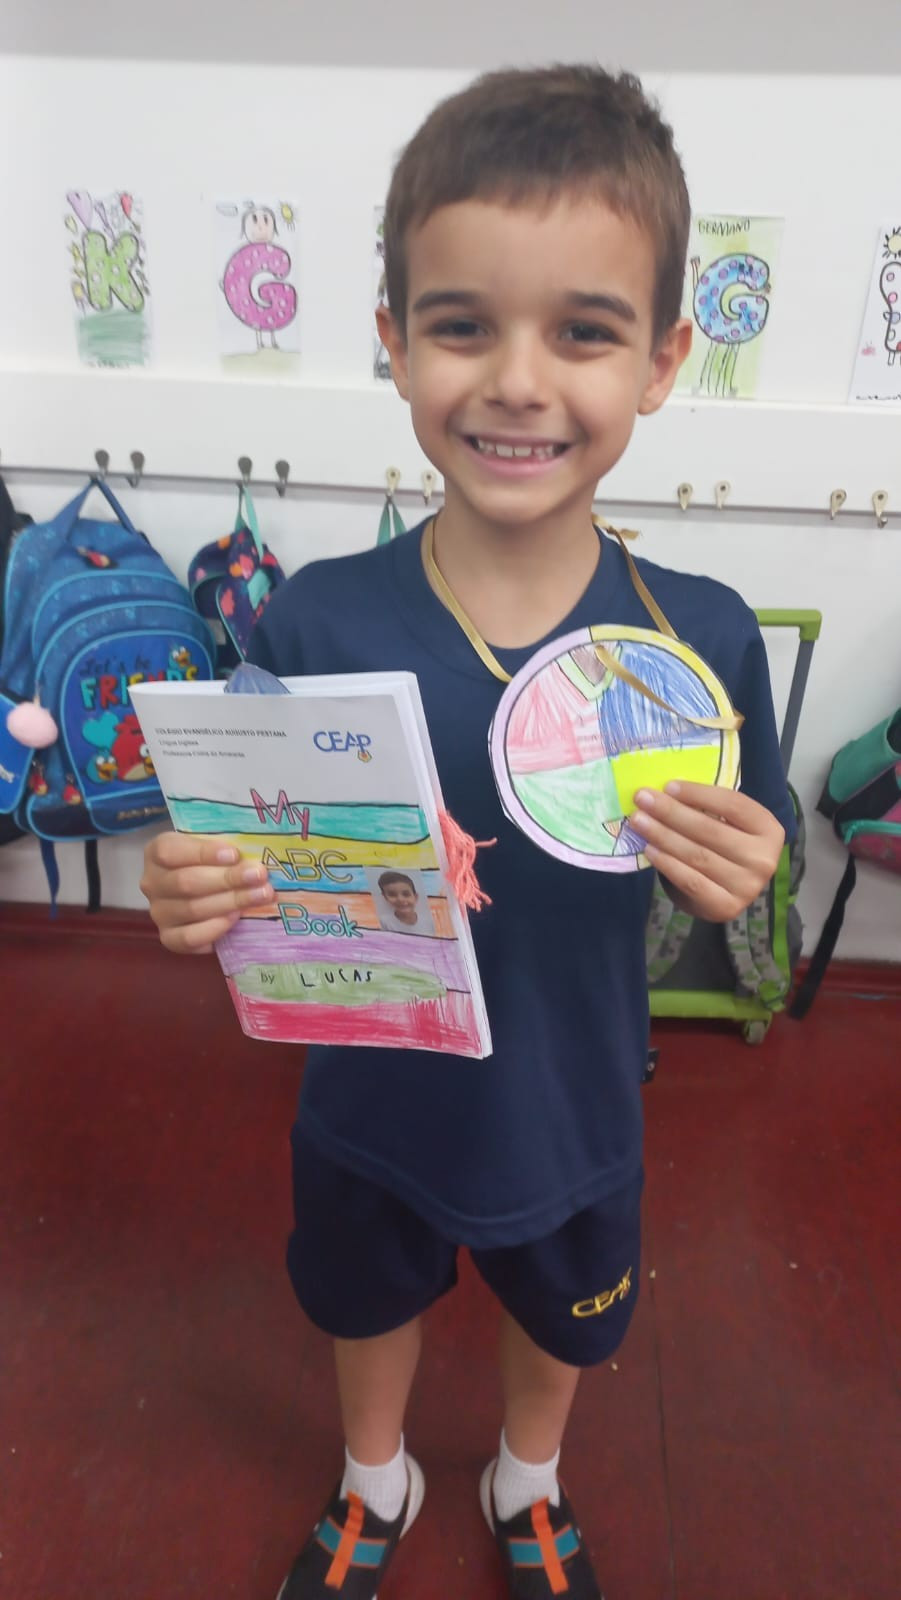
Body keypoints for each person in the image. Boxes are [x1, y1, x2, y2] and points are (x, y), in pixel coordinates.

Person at [141, 64, 793, 1600]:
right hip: (368, 1096)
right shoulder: (314, 620)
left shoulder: (695, 640)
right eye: (459, 325)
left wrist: (747, 880)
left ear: (662, 360)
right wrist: (193, 885)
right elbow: (243, 862)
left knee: (561, 1311)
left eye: (582, 331)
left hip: (573, 1100)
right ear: (392, 342)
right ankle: (374, 1476)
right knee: (363, 1296)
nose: (515, 380)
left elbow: (750, 880)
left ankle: (525, 1477)